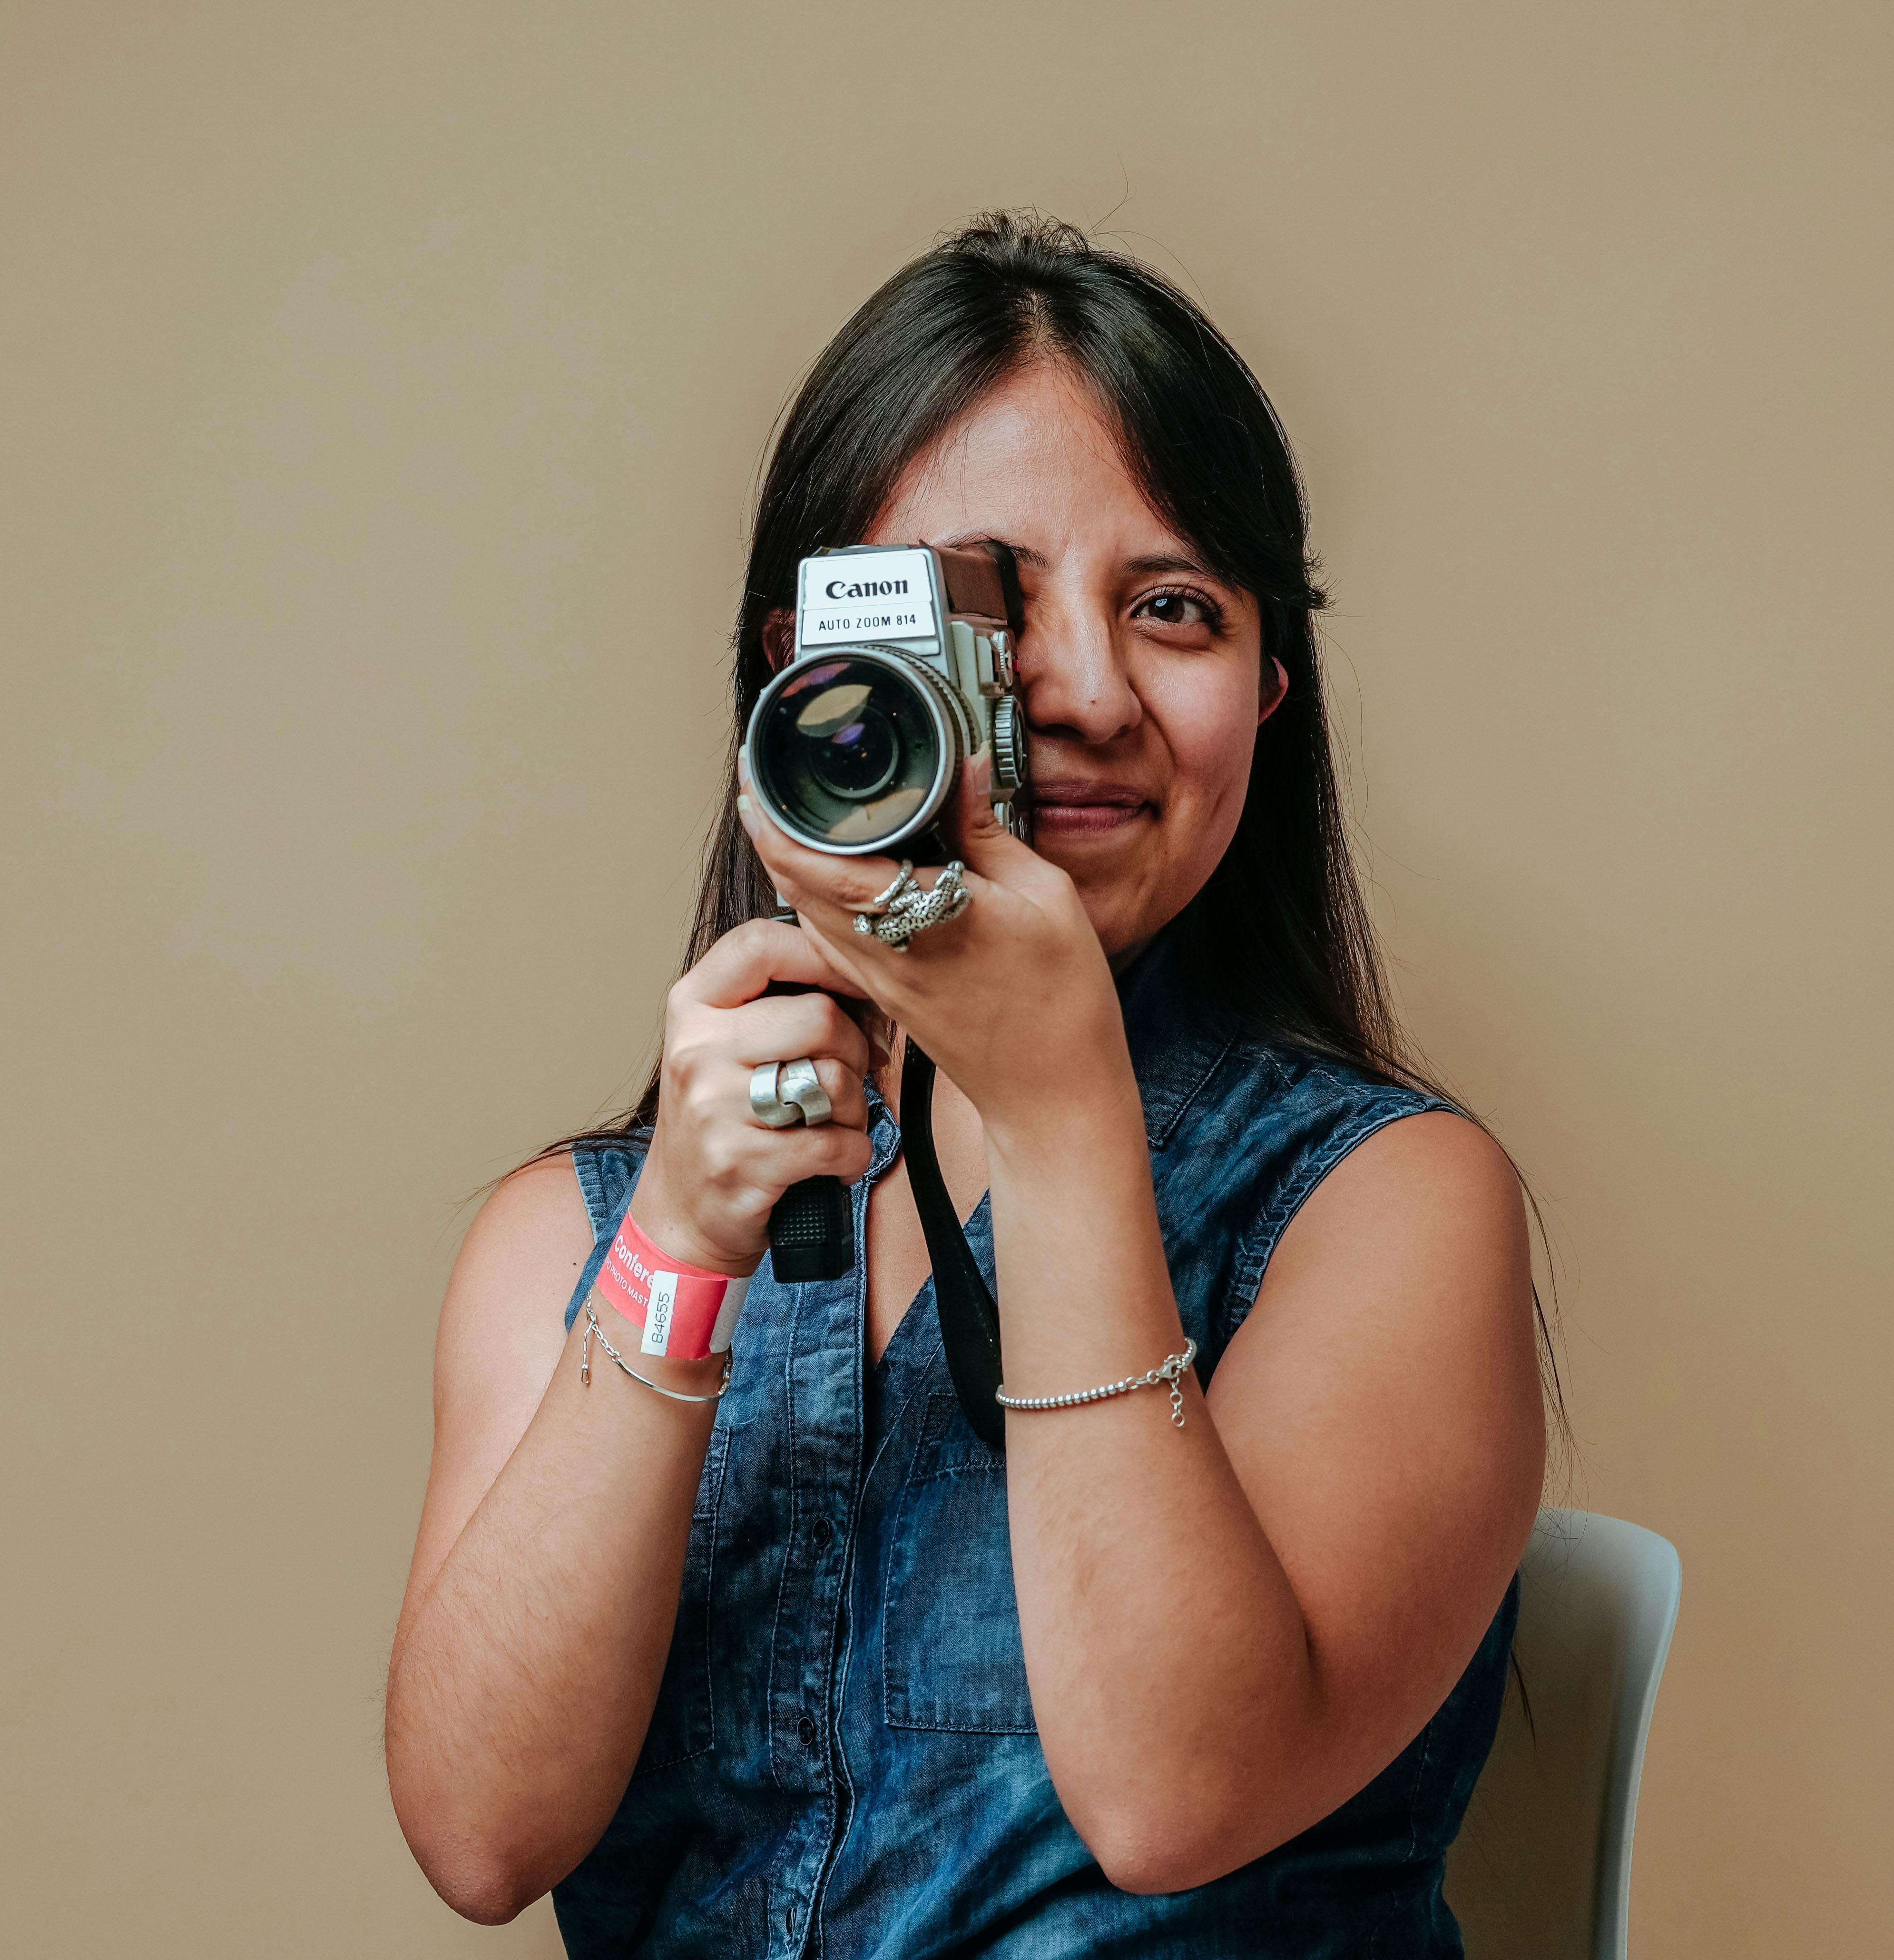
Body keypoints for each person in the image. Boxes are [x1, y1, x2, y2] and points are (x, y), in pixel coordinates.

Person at [385, 212, 1549, 1956]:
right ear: (807, 668)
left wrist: (1065, 1118)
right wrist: (681, 1252)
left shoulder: (1382, 1205)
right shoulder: (576, 1230)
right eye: (979, 611)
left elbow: (1174, 1801)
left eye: (1172, 609)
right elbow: (481, 1840)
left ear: (1269, 686)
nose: (1077, 695)